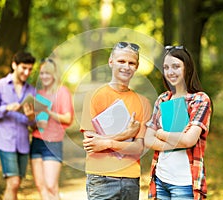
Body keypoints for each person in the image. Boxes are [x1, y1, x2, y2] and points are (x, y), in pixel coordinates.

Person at [80, 41, 152, 200]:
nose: (126, 66)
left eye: (131, 63)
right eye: (121, 61)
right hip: (101, 178)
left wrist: (107, 143)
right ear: (111, 61)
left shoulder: (143, 102)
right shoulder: (94, 96)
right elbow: (91, 143)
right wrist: (125, 134)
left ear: (137, 66)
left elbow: (138, 148)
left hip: (131, 178)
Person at [144, 45, 212, 200]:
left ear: (187, 68)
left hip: (184, 182)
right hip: (160, 179)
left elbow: (189, 140)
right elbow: (148, 139)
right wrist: (175, 141)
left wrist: (161, 134)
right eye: (166, 67)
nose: (170, 72)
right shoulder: (163, 99)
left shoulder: (199, 100)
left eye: (176, 66)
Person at [0, 51, 36, 200]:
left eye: (30, 69)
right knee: (13, 182)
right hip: (5, 142)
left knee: (16, 183)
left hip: (23, 144)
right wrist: (5, 108)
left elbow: (34, 123)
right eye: (24, 68)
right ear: (14, 65)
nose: (27, 72)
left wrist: (32, 118)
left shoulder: (32, 91)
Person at [30, 58, 74, 200]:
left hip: (53, 143)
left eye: (47, 73)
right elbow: (34, 122)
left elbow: (68, 118)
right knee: (41, 186)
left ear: (54, 74)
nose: (44, 77)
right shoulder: (39, 94)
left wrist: (50, 113)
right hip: (36, 141)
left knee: (51, 186)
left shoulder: (62, 92)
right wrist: (31, 117)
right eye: (42, 73)